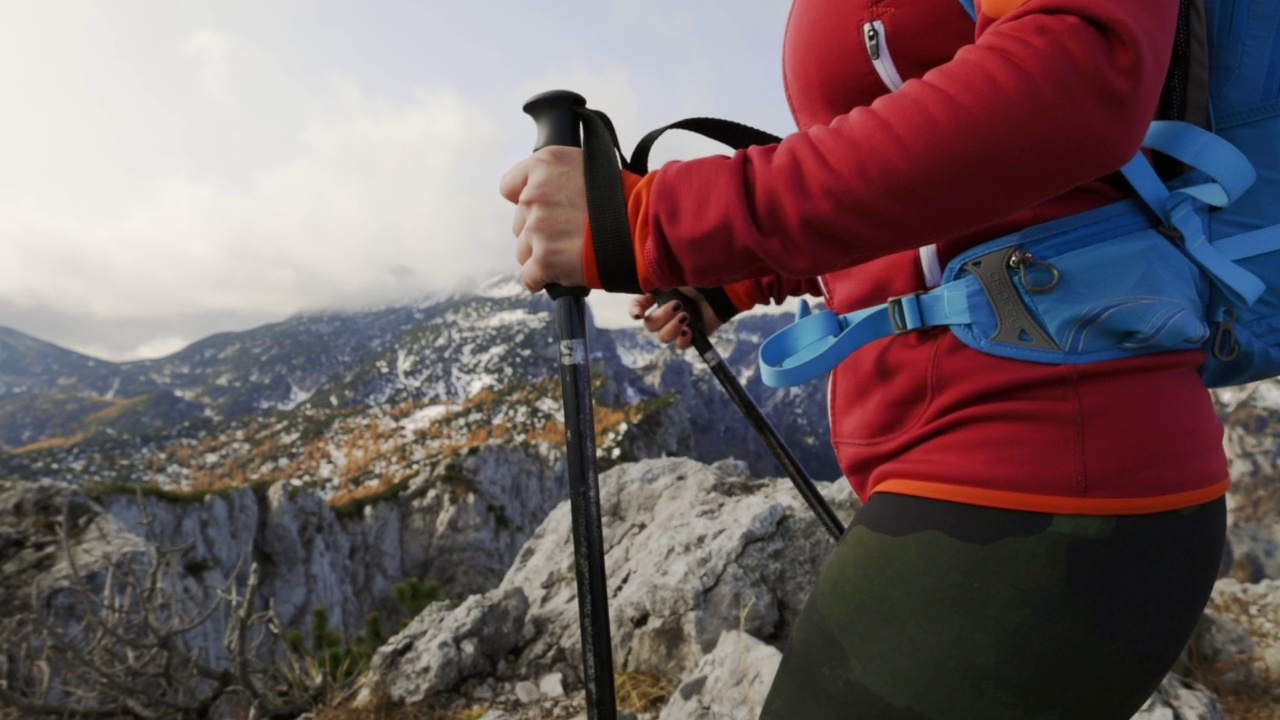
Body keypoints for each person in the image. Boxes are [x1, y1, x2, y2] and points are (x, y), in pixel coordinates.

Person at [500, 1, 1227, 717]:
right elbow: (926, 186)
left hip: (1049, 457)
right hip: (978, 461)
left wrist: (660, 220)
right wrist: (738, 278)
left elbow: (1077, 77)